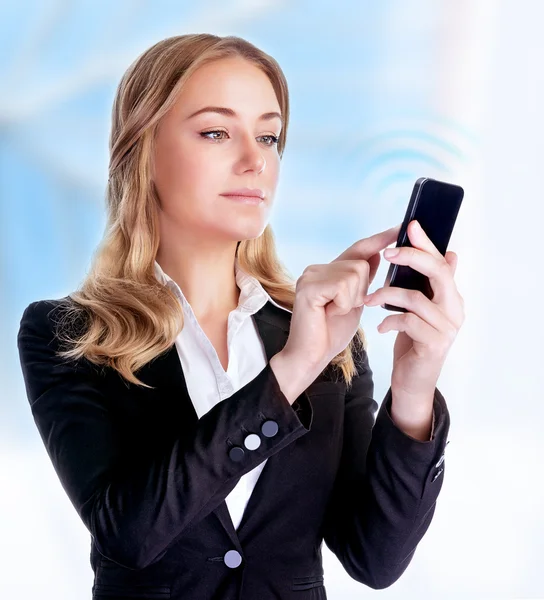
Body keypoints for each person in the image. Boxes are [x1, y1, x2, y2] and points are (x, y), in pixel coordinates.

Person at [17, 33, 464, 599]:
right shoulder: (70, 334)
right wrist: (290, 370)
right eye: (216, 132)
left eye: (270, 136)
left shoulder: (328, 336)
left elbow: (374, 558)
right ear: (144, 149)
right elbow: (126, 534)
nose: (256, 161)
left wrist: (414, 390)